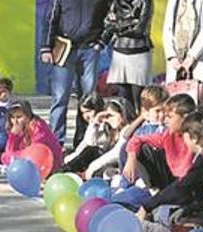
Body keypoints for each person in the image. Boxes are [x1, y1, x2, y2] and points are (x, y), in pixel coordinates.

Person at [40, 0, 112, 145]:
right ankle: (56, 142)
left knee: (88, 99)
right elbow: (50, 19)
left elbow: (111, 19)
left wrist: (101, 42)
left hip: (90, 49)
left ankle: (84, 140)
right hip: (65, 48)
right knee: (60, 97)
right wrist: (46, 47)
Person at [162, 0, 203, 107]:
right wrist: (171, 56)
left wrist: (192, 56)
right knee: (177, 104)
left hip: (200, 57)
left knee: (200, 101)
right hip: (177, 59)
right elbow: (167, 28)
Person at [62, 98, 134, 176]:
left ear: (123, 114)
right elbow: (90, 142)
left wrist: (93, 167)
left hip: (123, 166)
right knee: (92, 151)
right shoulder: (111, 131)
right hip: (110, 165)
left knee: (97, 161)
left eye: (111, 115)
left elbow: (116, 154)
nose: (109, 119)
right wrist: (94, 122)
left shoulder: (128, 130)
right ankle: (65, 171)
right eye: (106, 116)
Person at [104, 0, 154, 113]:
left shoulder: (145, 2)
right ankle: (128, 126)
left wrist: (117, 26)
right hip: (119, 53)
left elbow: (140, 29)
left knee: (140, 99)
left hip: (139, 53)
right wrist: (131, 22)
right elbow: (107, 23)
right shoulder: (115, 2)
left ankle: (140, 127)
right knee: (124, 100)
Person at [1, 100, 64, 173]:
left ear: (28, 115)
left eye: (19, 117)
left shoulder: (38, 127)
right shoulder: (19, 128)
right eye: (12, 117)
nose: (15, 121)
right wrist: (13, 135)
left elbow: (35, 150)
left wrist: (15, 156)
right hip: (30, 157)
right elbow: (9, 151)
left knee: (13, 157)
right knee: (4, 156)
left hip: (48, 161)